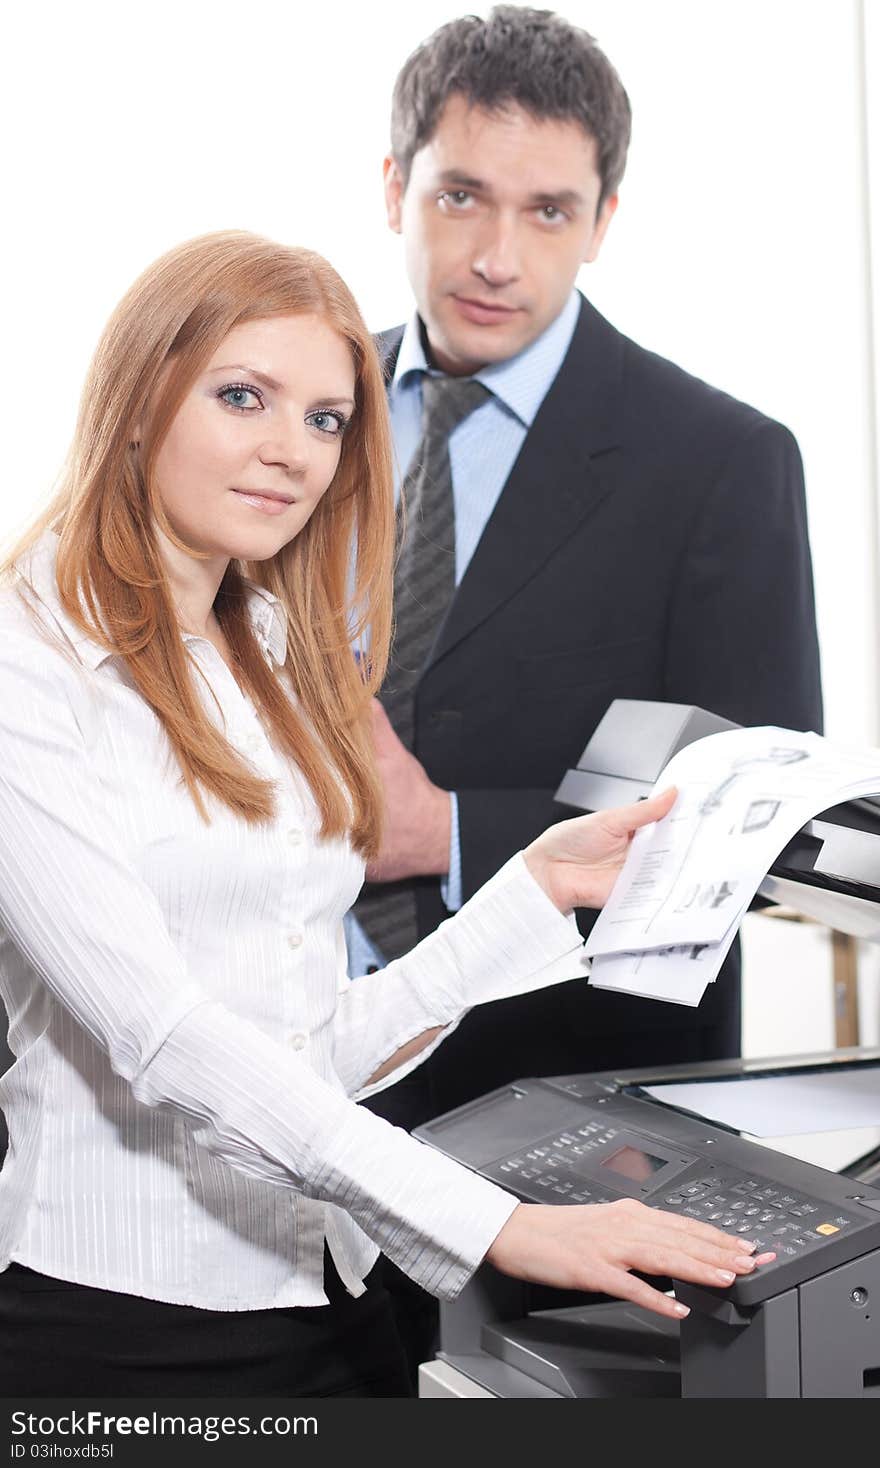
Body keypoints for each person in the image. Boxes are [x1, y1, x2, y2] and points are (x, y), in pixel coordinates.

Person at [0, 231, 774, 1399]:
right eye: (243, 396)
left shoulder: (261, 641)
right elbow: (162, 1036)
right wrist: (495, 1227)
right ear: (138, 396)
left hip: (335, 1288)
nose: (290, 453)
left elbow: (305, 1046)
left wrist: (531, 892)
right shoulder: (28, 663)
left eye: (325, 419)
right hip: (127, 1327)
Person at [346, 6, 823, 1382]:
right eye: (459, 197)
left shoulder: (718, 463)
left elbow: (749, 833)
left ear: (606, 216)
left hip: (552, 1113)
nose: (497, 256)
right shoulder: (306, 415)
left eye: (549, 209)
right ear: (395, 188)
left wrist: (447, 837)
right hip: (281, 1083)